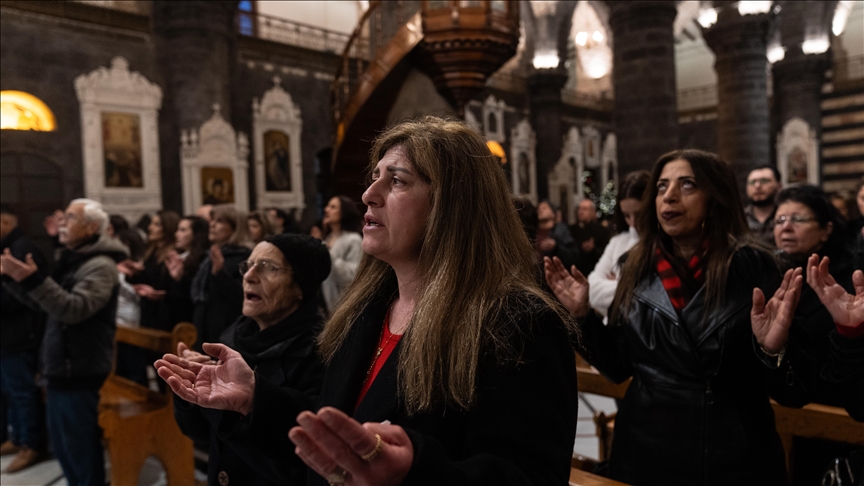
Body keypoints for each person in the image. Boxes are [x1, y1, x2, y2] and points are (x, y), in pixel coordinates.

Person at [156, 116, 579, 485]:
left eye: (397, 181)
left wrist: (413, 473)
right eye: (374, 177)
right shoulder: (366, 312)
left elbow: (530, 476)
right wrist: (255, 399)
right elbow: (341, 435)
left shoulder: (518, 323)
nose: (368, 194)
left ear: (453, 205)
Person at [546, 149, 792, 485]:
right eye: (662, 186)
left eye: (687, 184)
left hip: (732, 453)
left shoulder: (756, 267)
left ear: (715, 197)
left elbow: (792, 391)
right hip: (647, 449)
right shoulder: (635, 266)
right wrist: (582, 317)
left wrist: (772, 350)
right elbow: (618, 366)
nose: (670, 196)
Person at [173, 234, 331, 486]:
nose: (249, 276)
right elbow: (202, 436)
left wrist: (236, 405)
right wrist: (191, 389)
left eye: (268, 268)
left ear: (301, 286)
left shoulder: (322, 352)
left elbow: (302, 465)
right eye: (248, 265)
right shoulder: (236, 334)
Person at [0, 198, 127, 486]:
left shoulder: (101, 265)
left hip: (79, 368)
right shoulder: (75, 259)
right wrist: (13, 279)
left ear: (91, 227)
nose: (62, 223)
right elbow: (45, 305)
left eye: (70, 218)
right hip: (62, 366)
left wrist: (31, 280)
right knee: (64, 446)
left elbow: (73, 309)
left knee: (78, 447)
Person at [753, 185, 862, 420]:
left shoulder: (849, 280)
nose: (786, 227)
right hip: (791, 413)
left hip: (838, 414)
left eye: (798, 219)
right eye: (780, 220)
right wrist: (773, 351)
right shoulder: (769, 277)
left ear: (826, 229)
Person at [0, 204, 47, 473]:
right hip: (7, 333)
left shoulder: (21, 249)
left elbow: (27, 295)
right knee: (9, 390)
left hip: (20, 333)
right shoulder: (8, 247)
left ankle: (32, 444)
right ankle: (17, 437)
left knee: (22, 392)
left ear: (6, 222)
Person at [587, 171, 649, 319]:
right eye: (627, 215)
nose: (633, 223)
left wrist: (616, 284)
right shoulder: (618, 241)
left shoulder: (663, 244)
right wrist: (626, 287)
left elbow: (649, 299)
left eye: (639, 214)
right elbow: (591, 288)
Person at [190, 205, 253, 349]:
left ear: (235, 227)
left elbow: (241, 296)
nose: (212, 224)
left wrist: (220, 273)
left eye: (219, 221)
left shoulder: (244, 256)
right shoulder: (211, 256)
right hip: (205, 327)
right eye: (212, 220)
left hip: (227, 331)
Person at [163, 216, 210, 326]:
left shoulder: (203, 260)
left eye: (183, 230)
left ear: (196, 234)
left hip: (189, 320)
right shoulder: (178, 256)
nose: (176, 234)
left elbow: (194, 295)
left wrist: (180, 279)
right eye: (178, 229)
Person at [320, 196, 363, 313]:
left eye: (333, 207)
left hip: (345, 306)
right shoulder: (330, 237)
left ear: (344, 212)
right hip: (328, 305)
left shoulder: (353, 239)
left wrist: (328, 253)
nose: (326, 209)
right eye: (328, 206)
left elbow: (353, 276)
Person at [569, 198, 611, 275]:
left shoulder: (602, 231)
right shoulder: (571, 229)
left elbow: (606, 254)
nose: (581, 212)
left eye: (585, 209)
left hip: (595, 271)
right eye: (579, 209)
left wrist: (593, 249)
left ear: (593, 212)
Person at [745, 165, 782, 247]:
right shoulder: (740, 218)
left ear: (779, 186)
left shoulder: (785, 217)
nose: (757, 186)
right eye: (752, 182)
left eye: (764, 181)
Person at [535, 200, 578, 271]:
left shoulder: (560, 231)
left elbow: (573, 256)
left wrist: (555, 247)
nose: (540, 210)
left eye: (544, 208)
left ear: (553, 213)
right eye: (538, 209)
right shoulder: (533, 231)